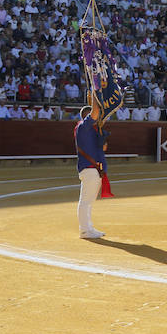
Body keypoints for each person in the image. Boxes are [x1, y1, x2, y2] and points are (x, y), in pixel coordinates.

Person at [75, 99, 108, 239]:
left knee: (88, 202)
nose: (97, 117)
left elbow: (104, 148)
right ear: (87, 116)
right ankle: (85, 230)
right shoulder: (84, 126)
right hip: (90, 169)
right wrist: (96, 96)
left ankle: (88, 228)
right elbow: (95, 112)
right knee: (86, 202)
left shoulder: (92, 130)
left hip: (93, 169)